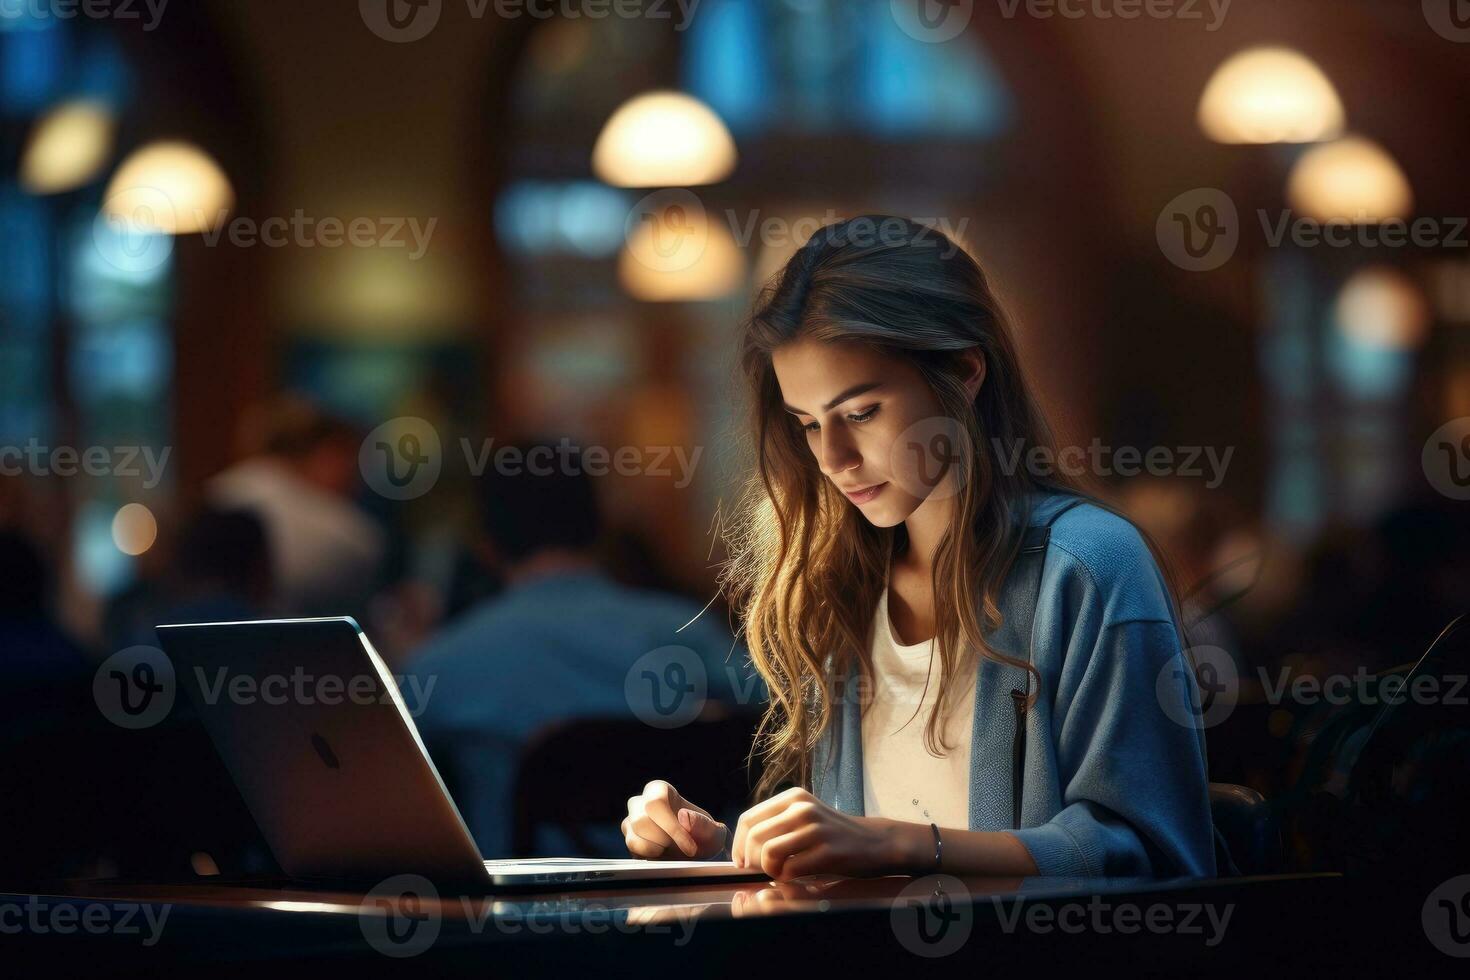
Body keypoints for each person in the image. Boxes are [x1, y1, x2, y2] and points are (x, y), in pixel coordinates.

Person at [621, 215, 1217, 880]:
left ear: (964, 371)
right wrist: (728, 851)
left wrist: (899, 843)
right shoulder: (836, 588)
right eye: (809, 425)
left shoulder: (1088, 567)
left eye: (861, 412)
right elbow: (854, 856)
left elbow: (1154, 856)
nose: (835, 459)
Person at [403, 440, 751, 858]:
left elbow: (385, 785)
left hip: (515, 913)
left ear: (485, 546)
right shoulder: (687, 627)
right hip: (689, 895)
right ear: (601, 527)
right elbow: (786, 716)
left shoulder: (439, 663)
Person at [208, 396, 384, 617]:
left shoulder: (213, 496)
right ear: (327, 453)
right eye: (350, 458)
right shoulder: (353, 538)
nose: (355, 476)